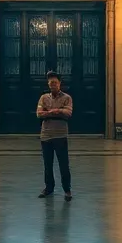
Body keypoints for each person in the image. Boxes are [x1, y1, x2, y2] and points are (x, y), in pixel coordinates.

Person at [37, 71, 73, 199]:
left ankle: (67, 190)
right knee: (48, 165)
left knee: (63, 164)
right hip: (46, 135)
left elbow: (68, 113)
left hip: (60, 135)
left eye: (55, 82)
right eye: (51, 83)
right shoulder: (43, 98)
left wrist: (51, 111)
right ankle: (48, 188)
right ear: (48, 84)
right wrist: (58, 112)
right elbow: (39, 114)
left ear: (60, 83)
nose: (53, 85)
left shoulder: (67, 98)